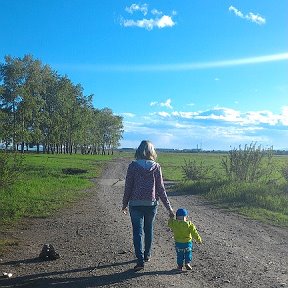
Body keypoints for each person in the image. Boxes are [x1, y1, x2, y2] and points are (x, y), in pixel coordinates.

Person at [122, 140, 175, 271]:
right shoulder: (156, 167)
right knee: (148, 230)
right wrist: (169, 208)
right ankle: (147, 255)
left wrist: (124, 203)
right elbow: (161, 189)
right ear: (152, 151)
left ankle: (140, 260)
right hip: (151, 204)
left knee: (137, 232)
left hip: (135, 203)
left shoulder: (133, 166)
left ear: (138, 151)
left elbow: (128, 186)